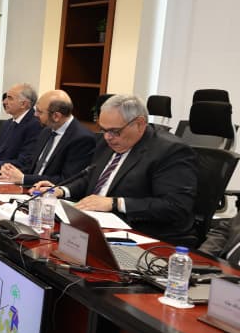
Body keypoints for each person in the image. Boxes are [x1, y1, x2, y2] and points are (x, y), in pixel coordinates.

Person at [34, 94, 198, 244]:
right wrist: (61, 190)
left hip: (143, 236)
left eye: (114, 131)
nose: (107, 137)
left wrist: (115, 203)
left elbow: (175, 206)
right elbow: (90, 177)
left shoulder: (170, 151)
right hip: (94, 226)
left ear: (139, 124)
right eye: (103, 130)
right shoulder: (107, 142)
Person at [0, 89, 95, 186]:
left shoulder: (81, 139)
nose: (35, 115)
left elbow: (67, 180)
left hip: (50, 193)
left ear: (56, 116)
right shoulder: (46, 131)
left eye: (39, 112)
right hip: (30, 188)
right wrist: (11, 171)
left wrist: (24, 179)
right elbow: (32, 166)